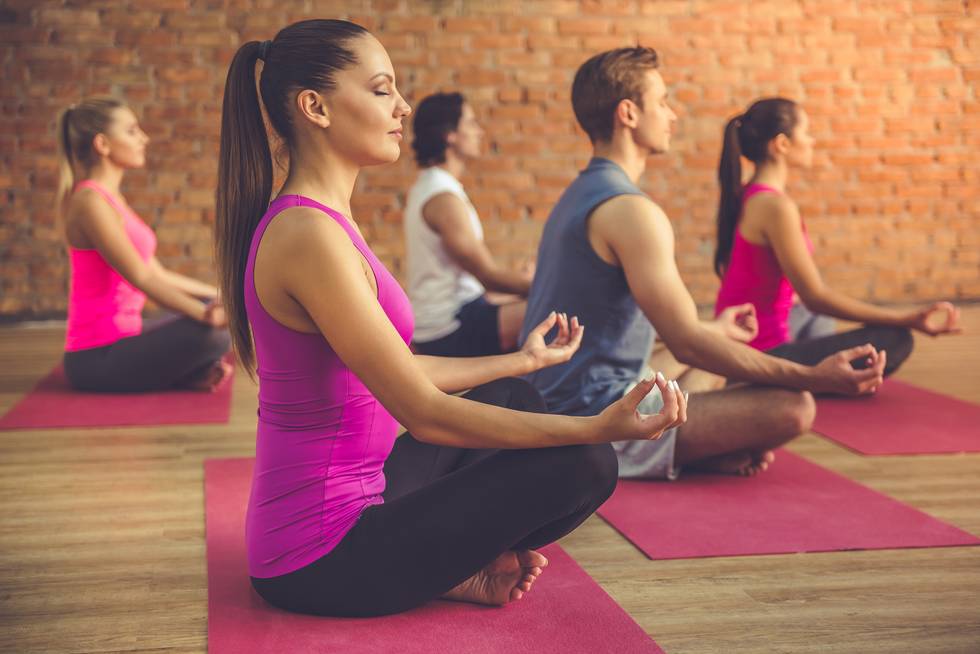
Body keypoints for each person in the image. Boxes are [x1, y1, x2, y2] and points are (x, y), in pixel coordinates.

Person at [215, 20, 687, 618]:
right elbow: (422, 413)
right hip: (317, 554)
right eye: (382, 89)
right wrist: (599, 427)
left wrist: (523, 358)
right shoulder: (307, 233)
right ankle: (446, 562)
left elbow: (396, 370)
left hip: (372, 491)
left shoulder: (325, 219)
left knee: (517, 393)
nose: (403, 107)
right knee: (587, 461)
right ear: (316, 107)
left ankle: (446, 563)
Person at [520, 47, 886, 480]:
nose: (672, 115)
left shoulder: (583, 192)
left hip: (559, 396)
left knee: (709, 358)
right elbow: (686, 343)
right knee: (792, 405)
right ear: (628, 114)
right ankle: (687, 451)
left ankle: (704, 448)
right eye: (662, 101)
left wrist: (717, 329)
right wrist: (813, 376)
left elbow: (665, 335)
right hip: (593, 419)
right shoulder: (631, 211)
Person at [714, 97, 961, 373]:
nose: (812, 141)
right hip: (758, 354)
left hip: (746, 338)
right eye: (806, 132)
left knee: (813, 317)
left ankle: (817, 370)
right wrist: (905, 318)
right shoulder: (775, 207)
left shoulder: (750, 194)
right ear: (782, 144)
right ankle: (801, 379)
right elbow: (815, 296)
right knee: (895, 338)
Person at [55, 96, 231, 393]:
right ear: (103, 144)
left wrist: (221, 297)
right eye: (132, 131)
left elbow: (158, 273)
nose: (144, 138)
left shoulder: (111, 199)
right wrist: (206, 315)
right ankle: (184, 374)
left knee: (214, 314)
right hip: (95, 358)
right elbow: (141, 277)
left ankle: (185, 374)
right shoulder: (89, 202)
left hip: (126, 339)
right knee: (214, 335)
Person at [405, 92, 532, 356]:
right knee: (559, 307)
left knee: (532, 297)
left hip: (463, 310)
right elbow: (489, 276)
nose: (480, 131)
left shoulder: (436, 187)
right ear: (450, 135)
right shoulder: (443, 198)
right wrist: (549, 284)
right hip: (447, 329)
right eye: (471, 123)